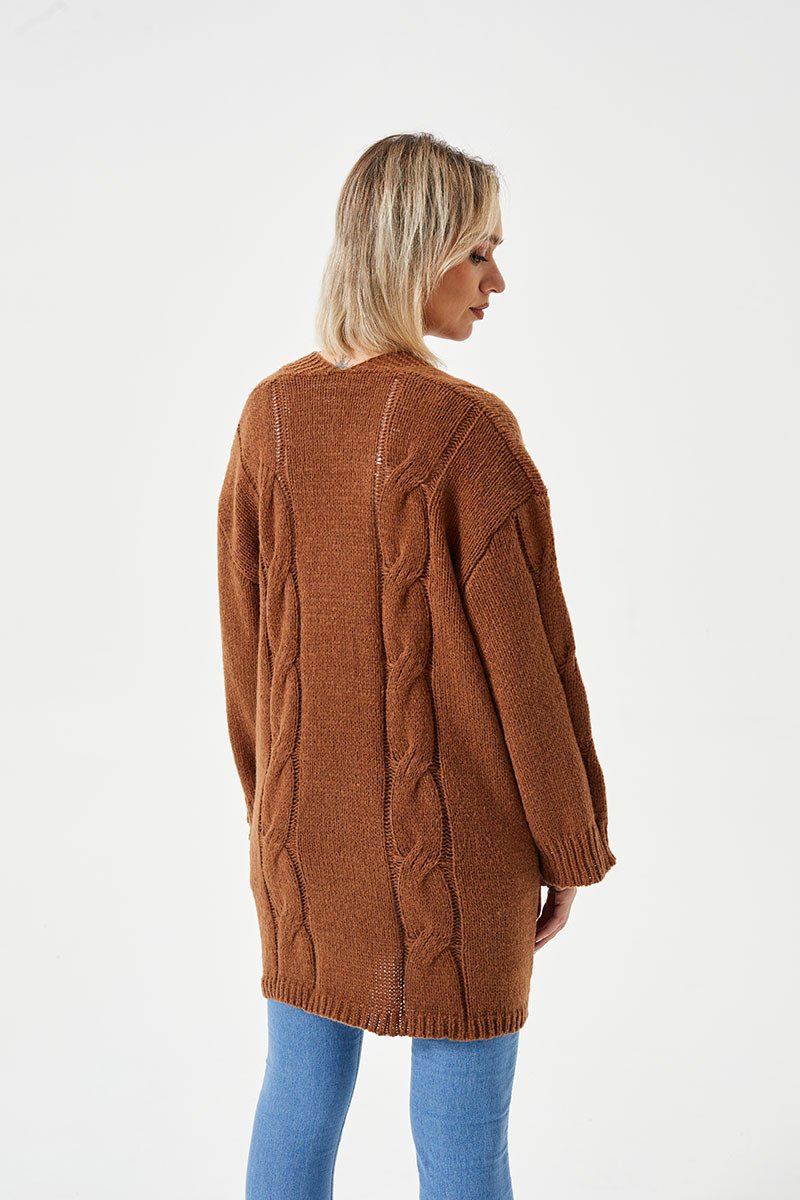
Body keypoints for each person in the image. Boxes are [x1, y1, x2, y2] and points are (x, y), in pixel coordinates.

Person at [216, 131, 617, 1200]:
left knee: (295, 1106)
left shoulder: (269, 416)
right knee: (464, 1145)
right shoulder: (466, 431)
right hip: (461, 850)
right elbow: (531, 670)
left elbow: (247, 650)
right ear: (414, 249)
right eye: (478, 252)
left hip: (301, 839)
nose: (496, 281)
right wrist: (568, 843)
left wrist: (273, 810)